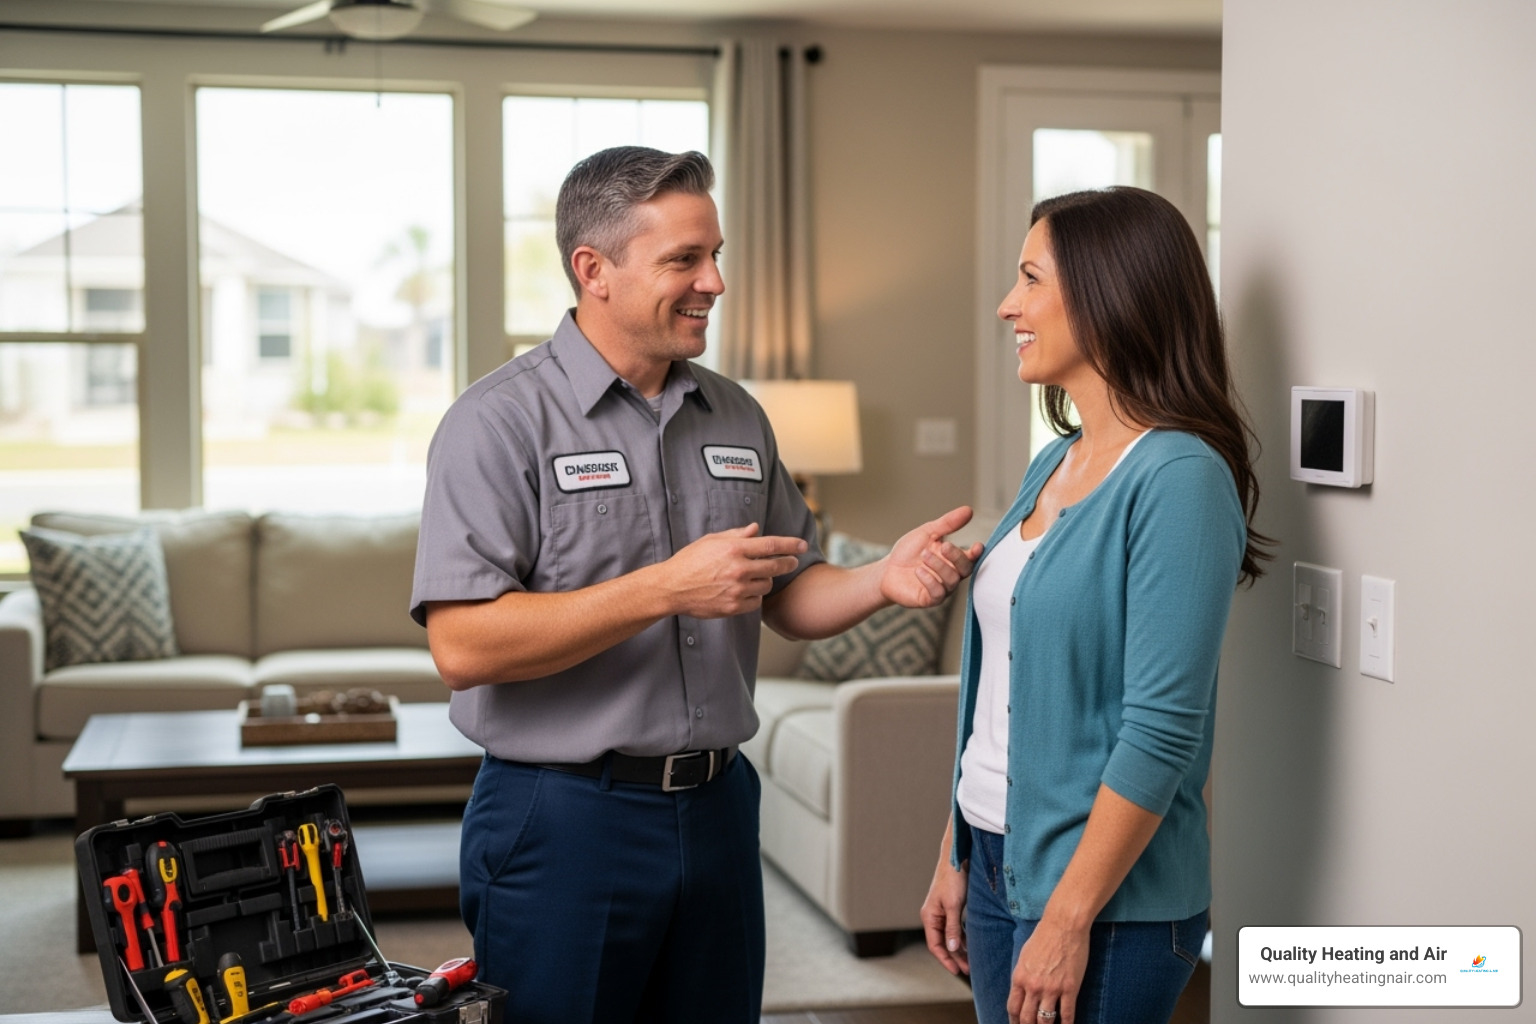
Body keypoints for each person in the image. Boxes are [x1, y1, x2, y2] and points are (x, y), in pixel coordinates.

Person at [409, 145, 982, 1024]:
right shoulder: (497, 422)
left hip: (717, 808)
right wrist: (665, 588)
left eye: (715, 255)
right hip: (563, 816)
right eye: (684, 259)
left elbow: (789, 592)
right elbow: (462, 646)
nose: (714, 281)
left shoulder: (737, 414)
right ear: (593, 270)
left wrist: (881, 579)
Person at [920, 186, 1269, 1024]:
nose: (1008, 306)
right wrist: (956, 850)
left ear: (1110, 293)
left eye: (1031, 279)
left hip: (1106, 901)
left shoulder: (1179, 478)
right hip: (997, 863)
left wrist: (1069, 917)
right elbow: (1002, 695)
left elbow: (1162, 731)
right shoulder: (1057, 460)